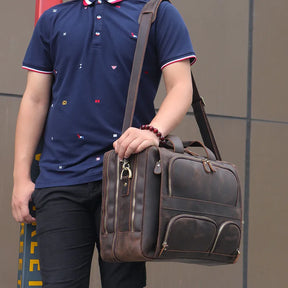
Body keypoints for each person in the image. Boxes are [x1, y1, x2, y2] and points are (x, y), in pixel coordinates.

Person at [12, 0, 196, 287]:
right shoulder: (53, 18)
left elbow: (182, 86)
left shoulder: (159, 13)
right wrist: (21, 179)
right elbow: (35, 99)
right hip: (58, 182)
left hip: (127, 181)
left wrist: (153, 131)